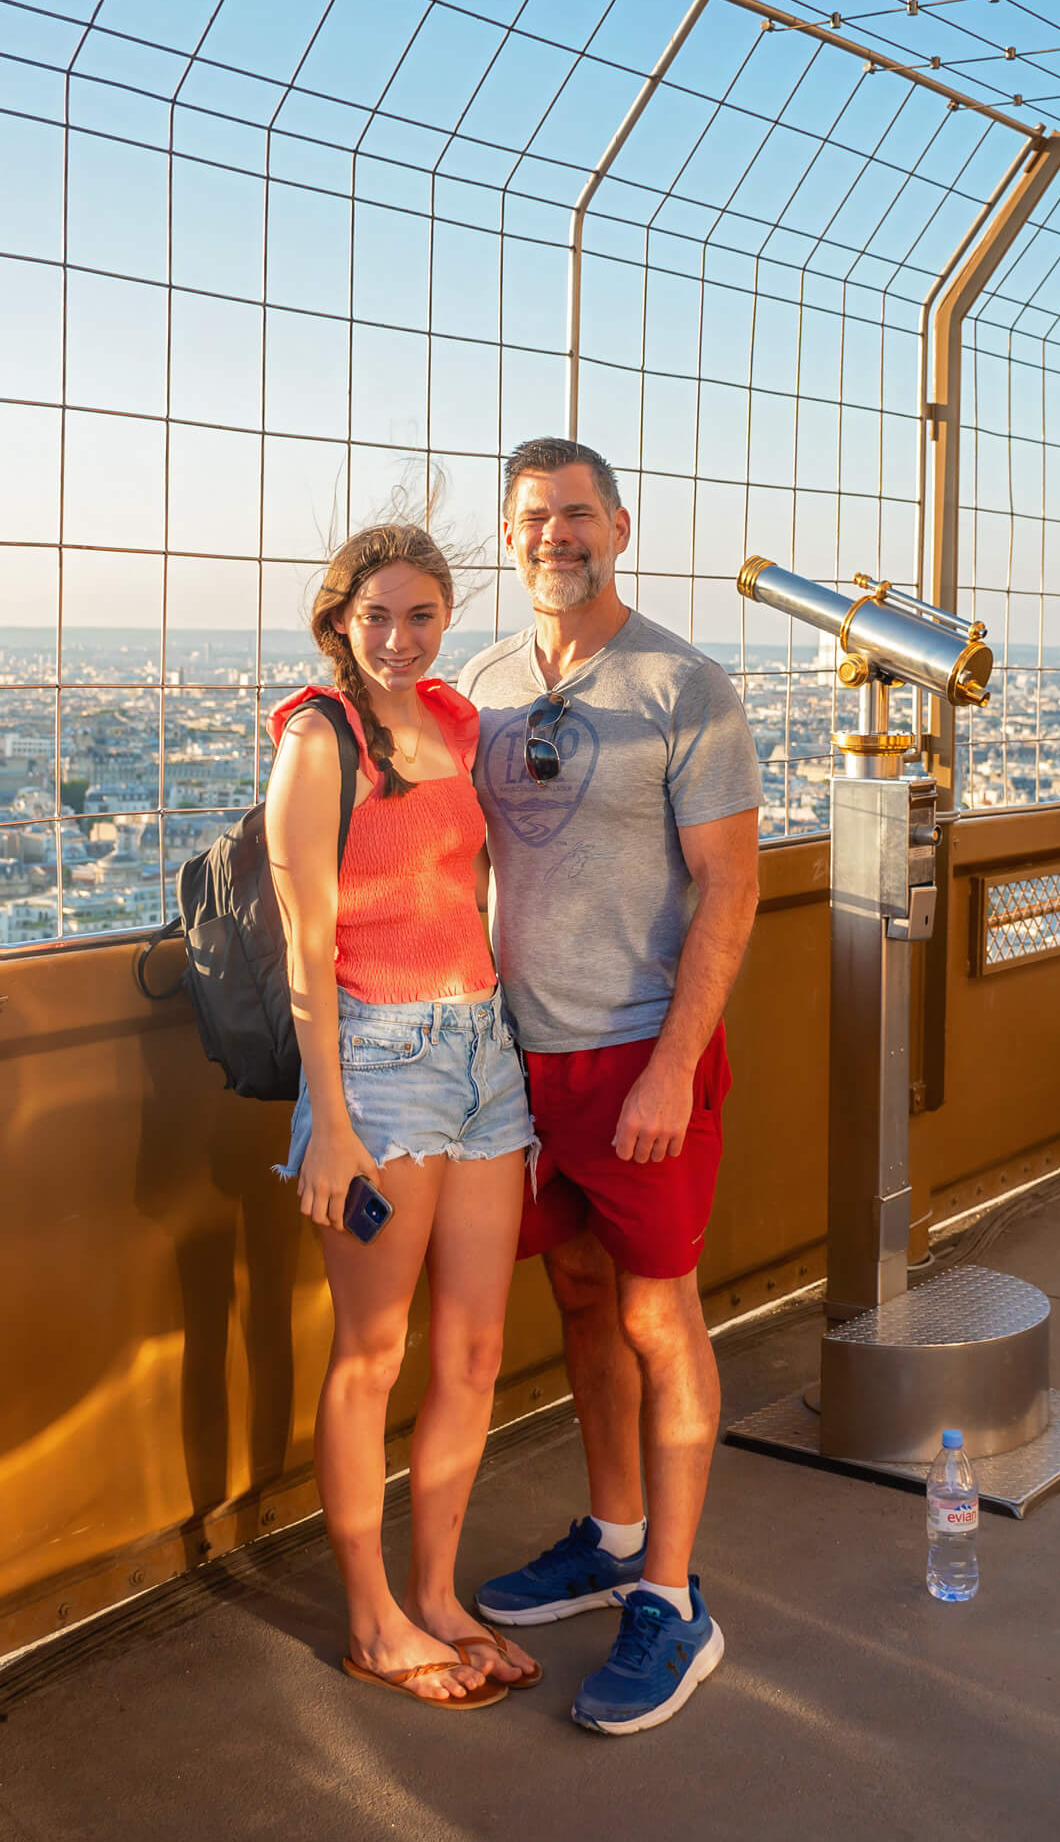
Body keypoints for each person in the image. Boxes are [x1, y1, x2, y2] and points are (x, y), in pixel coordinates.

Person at [459, 438, 762, 1734]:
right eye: (532, 518)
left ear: (619, 528)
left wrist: (671, 1069)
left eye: (575, 515)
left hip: (638, 1059)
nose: (553, 537)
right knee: (577, 1294)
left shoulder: (685, 686)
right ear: (507, 535)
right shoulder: (476, 685)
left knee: (658, 1317)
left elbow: (729, 891)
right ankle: (612, 1527)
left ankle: (671, 1598)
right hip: (519, 1067)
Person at [264, 522, 541, 1709]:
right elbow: (304, 948)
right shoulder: (318, 739)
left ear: (444, 621)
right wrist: (330, 1119)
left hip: (485, 1051)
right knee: (373, 1353)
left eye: (419, 614)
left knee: (473, 1350)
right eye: (374, 615)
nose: (396, 636)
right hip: (380, 1063)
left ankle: (435, 1592)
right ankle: (372, 1617)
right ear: (339, 621)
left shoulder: (458, 720)